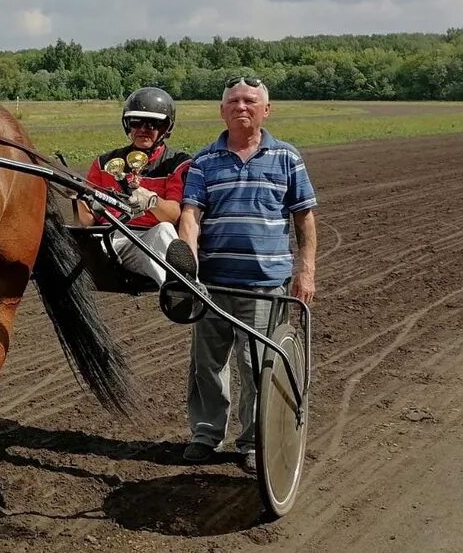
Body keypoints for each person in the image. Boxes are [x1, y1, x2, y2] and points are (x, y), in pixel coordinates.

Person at [176, 76, 318, 473]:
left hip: (265, 286)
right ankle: (206, 433)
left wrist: (306, 271)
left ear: (266, 110)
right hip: (213, 284)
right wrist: (188, 267)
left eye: (250, 101)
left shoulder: (287, 158)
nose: (241, 107)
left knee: (257, 366)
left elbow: (304, 219)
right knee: (207, 363)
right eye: (233, 101)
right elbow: (190, 215)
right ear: (222, 111)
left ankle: (255, 440)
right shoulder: (204, 161)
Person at [81, 86, 192, 287]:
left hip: (147, 241)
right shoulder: (103, 163)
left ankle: (181, 290)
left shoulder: (177, 164)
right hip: (108, 239)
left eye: (153, 123)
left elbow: (174, 215)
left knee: (165, 230)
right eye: (136, 122)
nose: (142, 129)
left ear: (166, 128)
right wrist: (78, 199)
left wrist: (151, 201)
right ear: (127, 125)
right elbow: (87, 221)